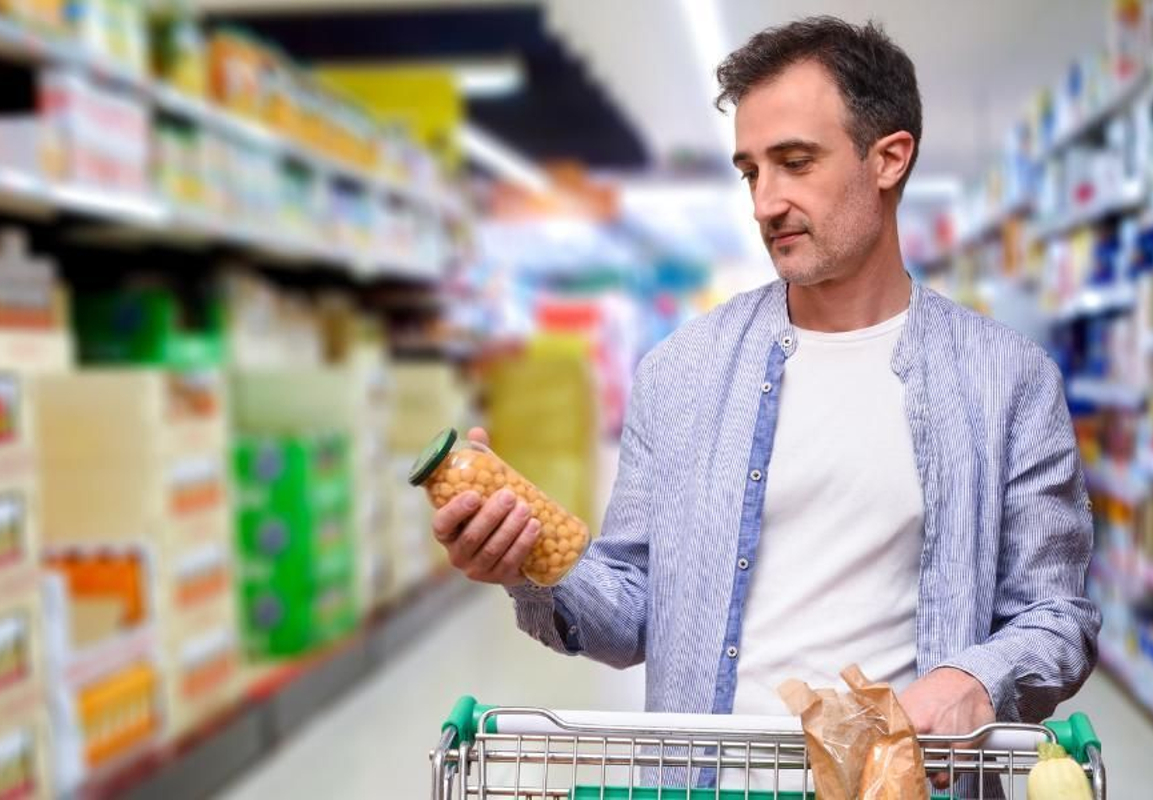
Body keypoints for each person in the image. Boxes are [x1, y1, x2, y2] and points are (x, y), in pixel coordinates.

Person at [431, 14, 1097, 754]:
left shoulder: (1009, 383)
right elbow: (631, 616)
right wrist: (530, 561)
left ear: (890, 159)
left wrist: (976, 680)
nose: (764, 203)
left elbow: (1057, 614)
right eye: (752, 170)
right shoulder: (682, 373)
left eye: (796, 162)